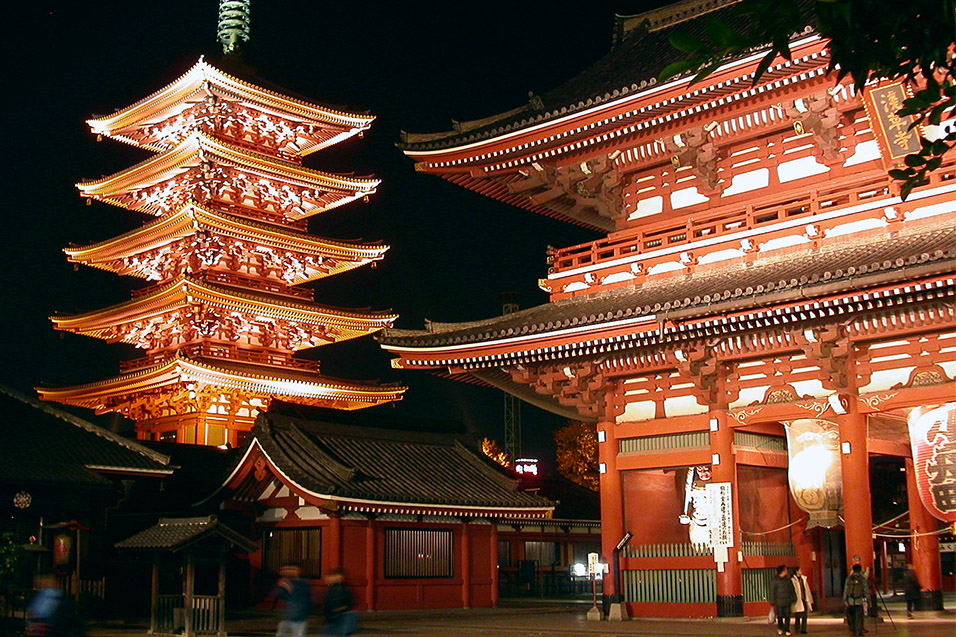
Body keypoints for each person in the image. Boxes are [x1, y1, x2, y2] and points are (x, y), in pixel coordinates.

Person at [274, 564, 311, 637]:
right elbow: (280, 596)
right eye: (284, 570)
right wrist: (281, 587)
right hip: (286, 616)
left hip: (298, 618)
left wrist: (289, 587)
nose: (288, 571)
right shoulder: (283, 582)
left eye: (292, 569)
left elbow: (303, 598)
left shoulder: (302, 583)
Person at [322, 569, 357, 636]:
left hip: (340, 616)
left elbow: (349, 602)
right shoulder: (331, 588)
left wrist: (340, 608)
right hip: (332, 616)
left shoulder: (341, 588)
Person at [769, 564, 797, 636]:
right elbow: (773, 591)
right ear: (782, 571)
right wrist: (772, 601)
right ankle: (780, 628)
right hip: (779, 602)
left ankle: (786, 629)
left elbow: (792, 590)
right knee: (780, 616)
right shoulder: (775, 580)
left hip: (787, 601)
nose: (787, 571)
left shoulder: (788, 580)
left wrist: (794, 598)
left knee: (787, 616)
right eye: (785, 570)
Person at [844, 563, 868, 636]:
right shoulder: (862, 579)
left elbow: (845, 590)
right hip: (859, 601)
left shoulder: (848, 578)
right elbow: (865, 590)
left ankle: (853, 631)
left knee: (851, 617)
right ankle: (859, 632)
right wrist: (867, 600)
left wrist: (845, 600)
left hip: (850, 601)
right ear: (860, 570)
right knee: (859, 618)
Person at [790, 565, 814, 634]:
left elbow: (807, 589)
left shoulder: (803, 579)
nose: (801, 571)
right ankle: (797, 628)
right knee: (797, 615)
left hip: (804, 599)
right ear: (796, 571)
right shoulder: (793, 580)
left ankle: (803, 629)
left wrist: (809, 598)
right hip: (797, 600)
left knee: (804, 615)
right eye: (800, 570)